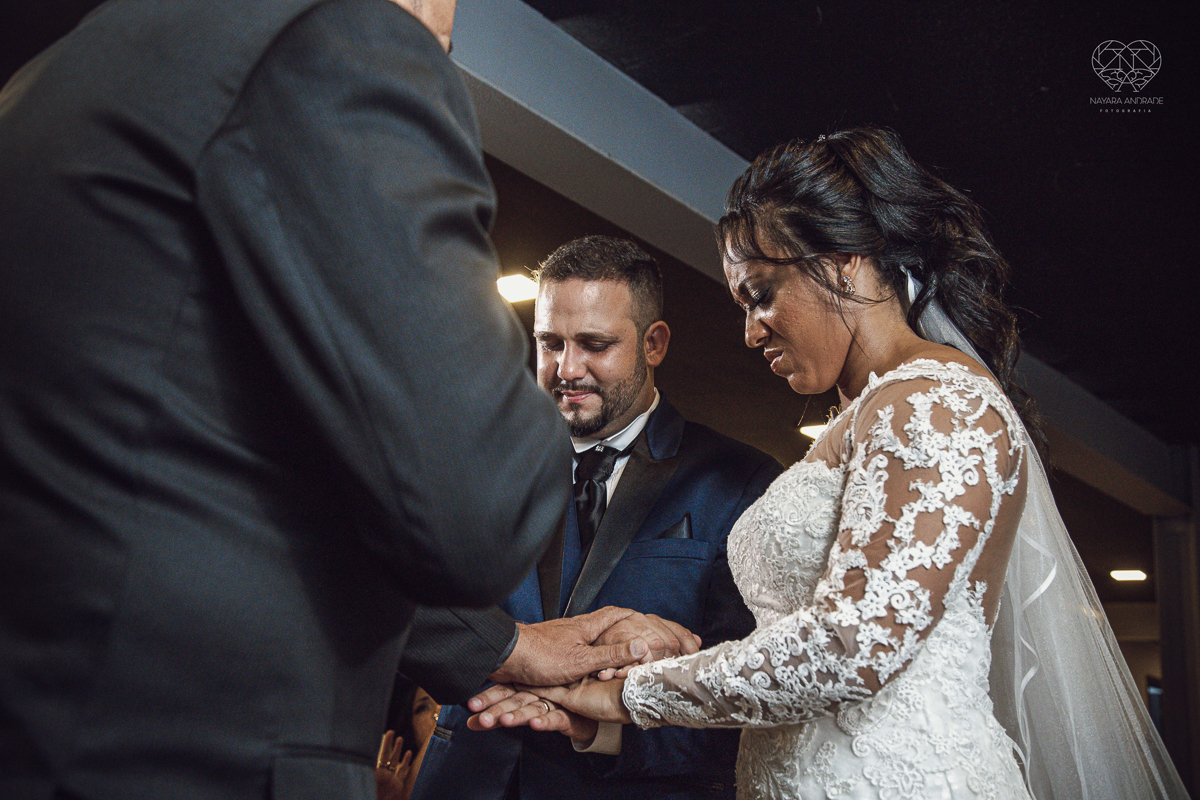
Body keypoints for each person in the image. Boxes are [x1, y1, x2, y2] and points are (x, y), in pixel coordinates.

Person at [475, 129, 1190, 799]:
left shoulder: (938, 405)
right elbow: (795, 643)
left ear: (844, 263)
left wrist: (630, 691)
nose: (750, 331)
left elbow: (849, 646)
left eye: (761, 296)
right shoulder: (862, 419)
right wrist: (622, 681)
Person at [0, 0, 572, 798]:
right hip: (193, 757)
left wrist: (500, 648)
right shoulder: (335, 38)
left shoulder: (54, 75)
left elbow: (214, 469)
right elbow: (479, 504)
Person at [406, 236, 783, 800]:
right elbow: (408, 603)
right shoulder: (471, 458)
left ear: (654, 344)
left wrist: (599, 727)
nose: (566, 368)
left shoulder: (740, 481)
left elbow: (745, 703)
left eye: (594, 344)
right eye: (549, 342)